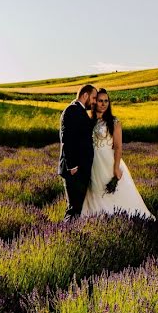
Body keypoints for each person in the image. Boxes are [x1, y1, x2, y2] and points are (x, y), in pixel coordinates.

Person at [81, 88, 154, 219]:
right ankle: (97, 218)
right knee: (95, 191)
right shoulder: (89, 121)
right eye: (100, 101)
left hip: (109, 162)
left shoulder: (114, 122)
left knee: (113, 192)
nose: (103, 104)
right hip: (93, 163)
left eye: (106, 101)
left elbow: (119, 147)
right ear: (94, 102)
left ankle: (121, 217)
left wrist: (116, 168)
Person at [58, 84, 96, 221]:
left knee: (78, 208)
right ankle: (65, 236)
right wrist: (72, 166)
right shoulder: (72, 110)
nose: (95, 101)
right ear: (85, 95)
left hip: (80, 170)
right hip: (74, 171)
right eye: (93, 98)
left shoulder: (79, 111)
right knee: (74, 209)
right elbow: (67, 139)